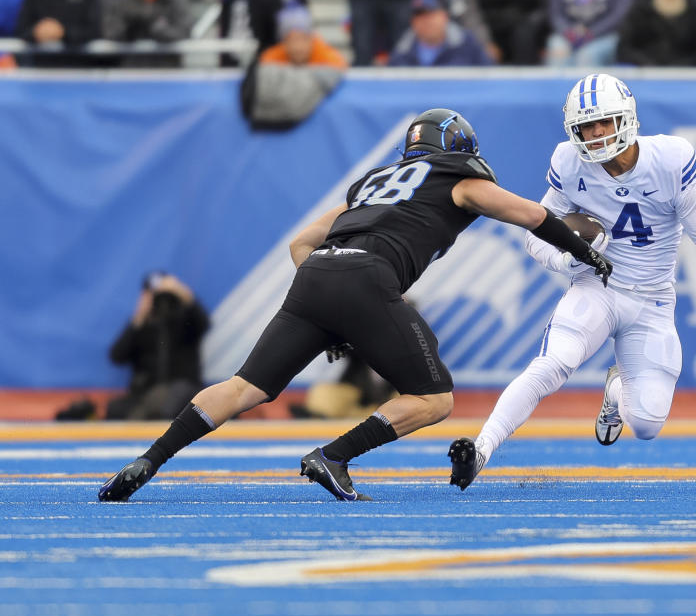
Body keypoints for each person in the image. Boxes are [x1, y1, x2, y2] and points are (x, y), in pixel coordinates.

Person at [98, 108, 612, 502]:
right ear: (459, 148)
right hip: (367, 278)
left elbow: (301, 243)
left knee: (243, 387)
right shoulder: (461, 180)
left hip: (318, 273)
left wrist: (332, 306)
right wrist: (584, 250)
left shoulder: (372, 182)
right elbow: (529, 215)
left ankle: (149, 459)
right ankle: (334, 456)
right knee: (435, 399)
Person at [448, 73, 696, 491]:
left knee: (646, 424)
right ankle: (481, 449)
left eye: (604, 122)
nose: (596, 134)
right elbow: (534, 233)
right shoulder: (569, 163)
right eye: (587, 126)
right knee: (552, 365)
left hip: (652, 300)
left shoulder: (669, 161)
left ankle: (616, 391)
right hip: (597, 288)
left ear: (626, 118)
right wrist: (570, 262)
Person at [106, 272, 210, 421]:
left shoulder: (186, 320)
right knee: (115, 409)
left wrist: (182, 293)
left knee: (169, 401)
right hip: (145, 393)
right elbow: (116, 356)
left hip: (183, 391)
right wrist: (138, 318)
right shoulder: (141, 326)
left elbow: (204, 324)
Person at [387, 0, 493, 66]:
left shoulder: (467, 44)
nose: (426, 21)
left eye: (430, 14)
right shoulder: (402, 51)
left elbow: (489, 76)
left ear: (444, 16)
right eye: (419, 16)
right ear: (412, 22)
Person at [615, 0, 696, 67]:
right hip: (645, 75)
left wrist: (683, 66)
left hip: (687, 76)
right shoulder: (637, 13)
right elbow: (624, 49)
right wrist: (646, 64)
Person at [545, 0, 634, 67]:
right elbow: (555, 13)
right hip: (567, 34)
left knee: (588, 55)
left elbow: (618, 14)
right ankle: (560, 87)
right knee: (558, 49)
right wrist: (568, 31)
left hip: (604, 34)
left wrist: (592, 32)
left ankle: (590, 87)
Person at [15, 0, 102, 67]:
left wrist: (63, 32)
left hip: (79, 67)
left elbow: (94, 32)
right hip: (40, 68)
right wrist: (36, 32)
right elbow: (21, 30)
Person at [258, 3, 347, 67]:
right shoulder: (273, 58)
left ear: (312, 38)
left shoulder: (325, 56)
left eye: (303, 38)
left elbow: (338, 65)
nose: (298, 47)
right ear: (284, 42)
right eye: (292, 40)